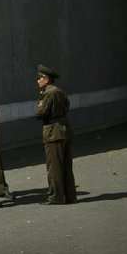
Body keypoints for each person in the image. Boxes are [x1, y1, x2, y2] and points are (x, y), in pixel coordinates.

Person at [35, 65, 77, 205]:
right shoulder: (60, 91)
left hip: (53, 131)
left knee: (54, 167)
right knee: (66, 166)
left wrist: (38, 108)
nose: (37, 81)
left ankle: (56, 197)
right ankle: (70, 196)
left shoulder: (48, 93)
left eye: (39, 78)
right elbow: (67, 106)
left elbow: (40, 113)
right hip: (64, 129)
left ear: (46, 79)